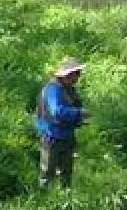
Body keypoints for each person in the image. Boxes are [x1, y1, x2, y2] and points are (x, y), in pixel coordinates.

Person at [35, 57, 88, 189]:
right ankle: (44, 197)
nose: (78, 77)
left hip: (67, 136)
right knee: (48, 172)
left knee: (66, 173)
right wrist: (78, 113)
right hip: (51, 136)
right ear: (67, 74)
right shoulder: (53, 89)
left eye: (78, 73)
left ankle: (65, 197)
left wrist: (79, 118)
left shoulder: (68, 89)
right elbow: (57, 111)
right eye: (76, 73)